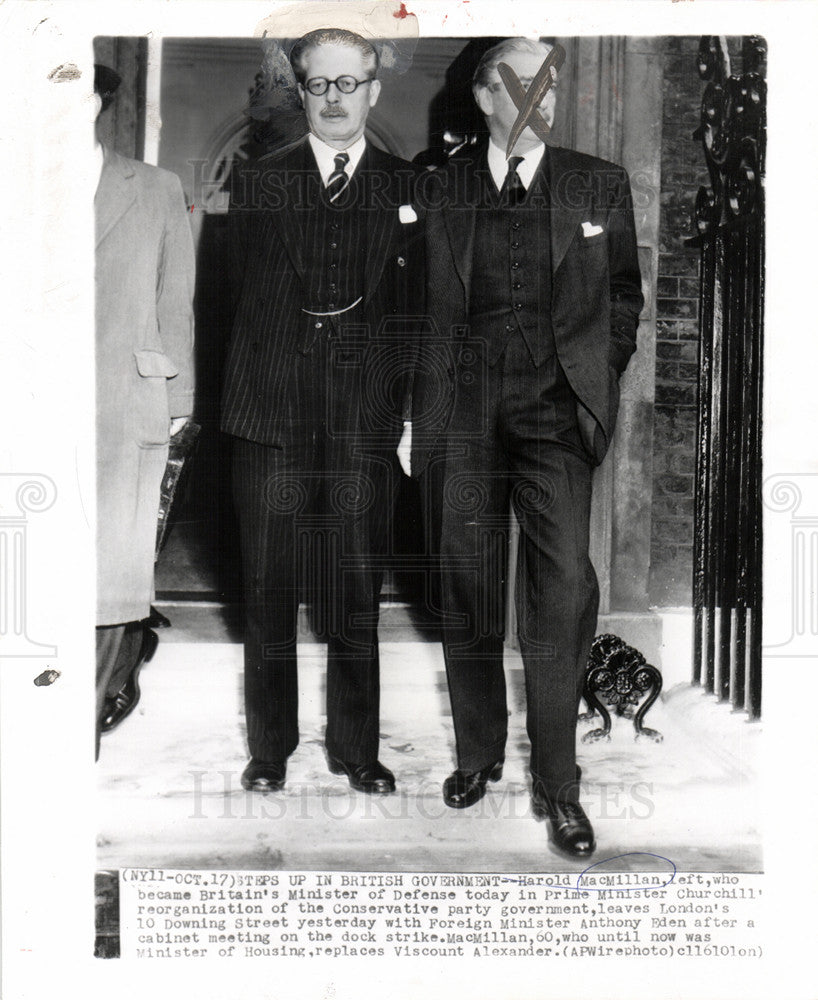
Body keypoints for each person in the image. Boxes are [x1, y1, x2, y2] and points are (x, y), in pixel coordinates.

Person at [407, 38, 643, 856]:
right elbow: (410, 313)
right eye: (521, 80)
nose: (542, 93)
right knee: (467, 585)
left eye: (552, 79)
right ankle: (477, 755)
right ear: (484, 96)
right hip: (462, 416)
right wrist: (415, 417)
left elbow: (622, 297)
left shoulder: (598, 181)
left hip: (554, 414)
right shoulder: (437, 186)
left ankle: (559, 782)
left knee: (562, 587)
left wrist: (596, 375)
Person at [222, 29, 423, 795]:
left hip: (363, 425)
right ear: (299, 90)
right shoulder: (259, 182)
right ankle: (269, 748)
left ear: (375, 89)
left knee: (355, 590)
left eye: (350, 83)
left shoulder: (410, 188)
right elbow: (233, 301)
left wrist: (404, 414)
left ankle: (356, 749)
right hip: (268, 417)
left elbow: (419, 315)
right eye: (319, 85)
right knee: (267, 590)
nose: (335, 99)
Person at [94, 65, 195, 755]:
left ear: (96, 102)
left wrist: (178, 402)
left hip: (124, 396)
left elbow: (174, 301)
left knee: (113, 567)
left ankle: (94, 704)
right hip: (36, 400)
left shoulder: (154, 187)